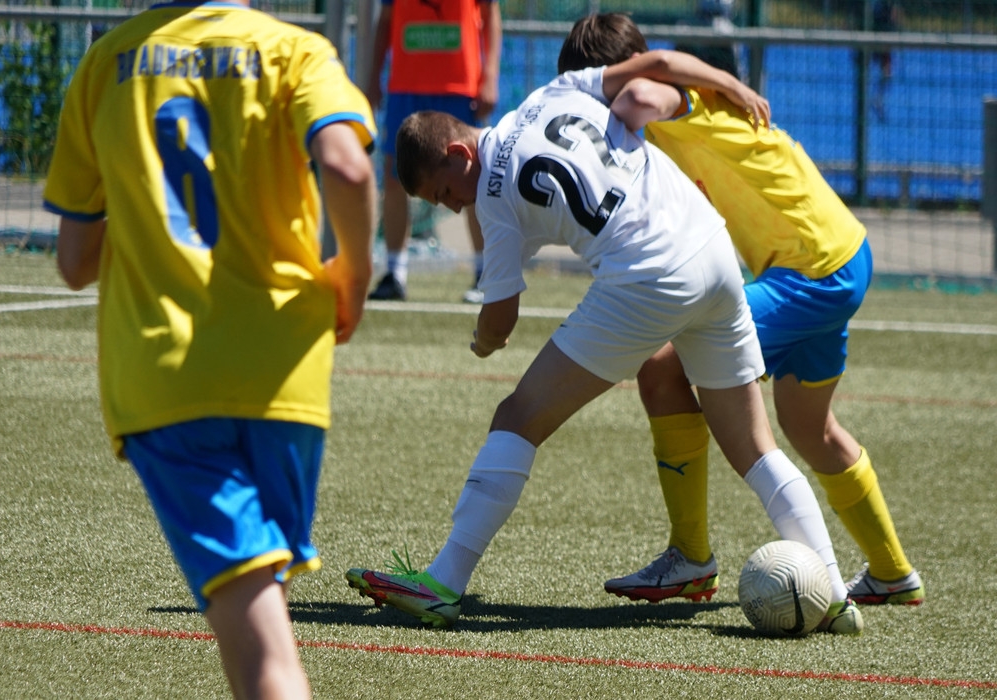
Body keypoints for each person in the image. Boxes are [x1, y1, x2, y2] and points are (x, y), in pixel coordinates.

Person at [345, 60, 863, 634]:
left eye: (444, 193)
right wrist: (733, 85)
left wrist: (485, 342)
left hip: (648, 276)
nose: (452, 207)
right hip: (713, 252)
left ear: (460, 154)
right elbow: (657, 65)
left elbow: (500, 316)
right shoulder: (554, 92)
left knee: (517, 416)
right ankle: (835, 597)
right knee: (754, 447)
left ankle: (443, 583)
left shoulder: (490, 192)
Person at [43, 3, 377, 696]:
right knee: (259, 611)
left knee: (259, 642)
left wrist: (143, 212)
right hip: (286, 371)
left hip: (167, 378)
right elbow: (347, 169)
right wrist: (354, 272)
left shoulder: (106, 62)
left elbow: (75, 262)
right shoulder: (296, 50)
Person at [557, 13, 923, 608]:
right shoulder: (683, 117)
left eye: (588, 88)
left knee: (661, 365)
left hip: (812, 269)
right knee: (809, 427)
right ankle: (892, 574)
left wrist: (611, 109)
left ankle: (690, 558)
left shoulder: (670, 101)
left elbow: (641, 94)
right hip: (838, 255)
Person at [366, 0, 501, 303]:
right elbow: (385, 19)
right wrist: (374, 75)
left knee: (474, 175)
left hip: (460, 84)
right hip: (406, 85)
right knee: (395, 175)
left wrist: (490, 75)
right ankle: (394, 273)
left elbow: (490, 13)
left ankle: (485, 273)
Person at [871, 0, 902, 120]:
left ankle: (877, 98)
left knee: (886, 72)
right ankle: (876, 98)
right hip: (879, 38)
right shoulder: (883, 7)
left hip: (882, 38)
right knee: (886, 71)